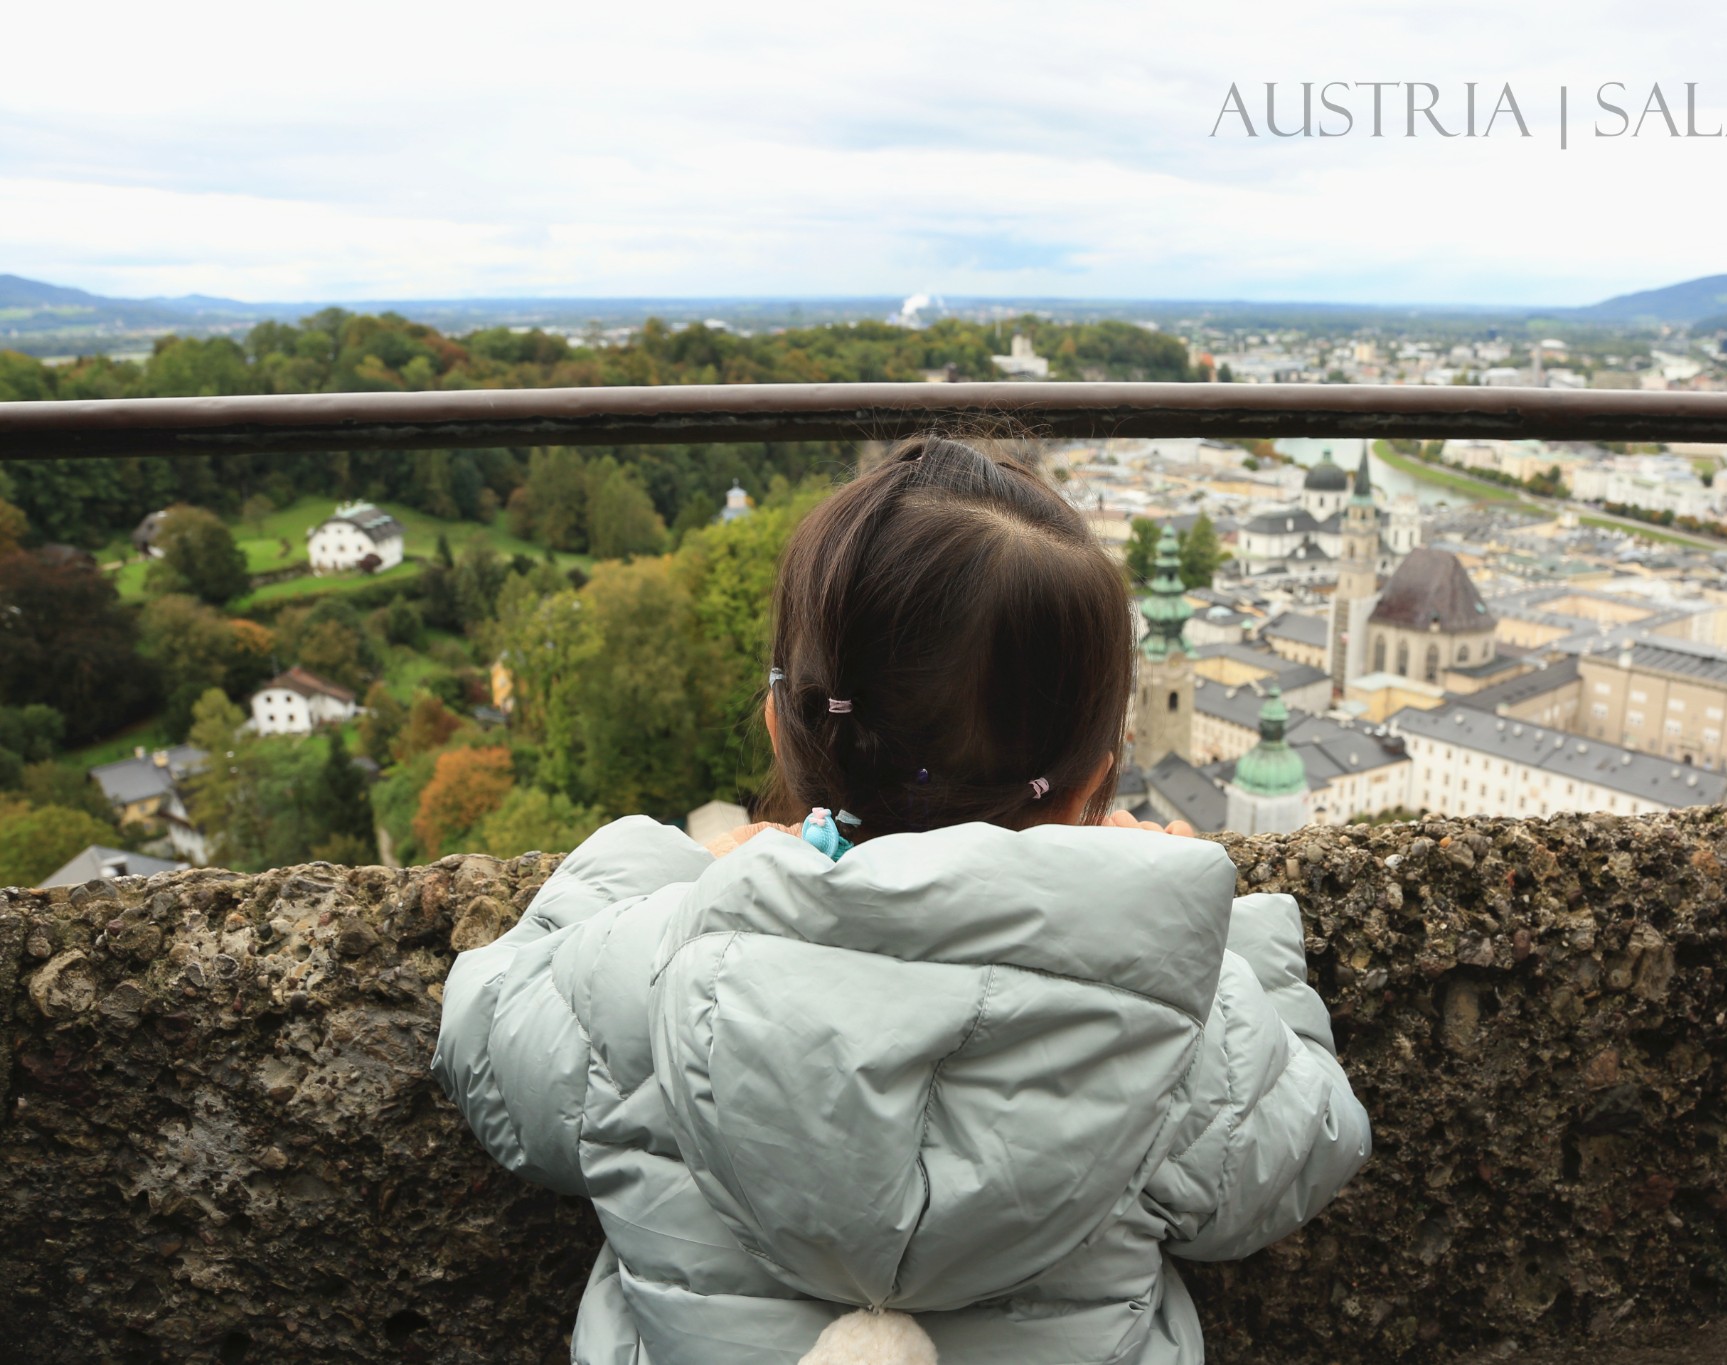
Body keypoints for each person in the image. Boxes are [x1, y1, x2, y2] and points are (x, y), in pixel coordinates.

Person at [432, 436, 1370, 1365]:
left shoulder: (646, 974)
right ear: (1096, 778)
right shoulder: (1185, 1033)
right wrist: (1217, 930)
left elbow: (485, 1031)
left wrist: (665, 868)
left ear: (779, 724)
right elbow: (1315, 1131)